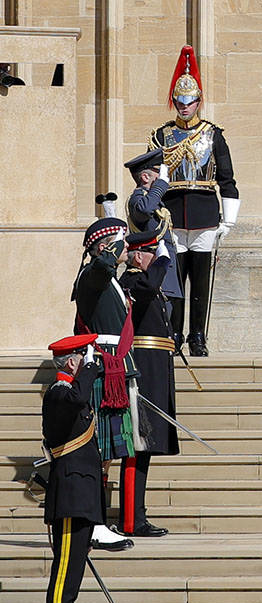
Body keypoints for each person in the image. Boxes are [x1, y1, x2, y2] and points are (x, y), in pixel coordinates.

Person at [149, 45, 239, 357]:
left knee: (200, 281)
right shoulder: (162, 135)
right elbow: (152, 176)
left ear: (198, 101)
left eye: (189, 101)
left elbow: (226, 178)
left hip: (203, 214)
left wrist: (228, 219)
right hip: (173, 215)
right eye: (179, 101)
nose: (184, 106)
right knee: (174, 282)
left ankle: (198, 335)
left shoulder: (213, 134)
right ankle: (174, 334)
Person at [41, 333, 106, 603]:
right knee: (63, 585)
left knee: (70, 584)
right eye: (83, 356)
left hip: (81, 500)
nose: (87, 361)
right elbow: (79, 395)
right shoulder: (58, 393)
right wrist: (91, 368)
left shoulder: (70, 392)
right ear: (70, 361)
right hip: (69, 500)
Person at [72, 218, 139, 552]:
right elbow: (101, 265)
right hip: (102, 367)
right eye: (121, 243)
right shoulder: (93, 276)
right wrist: (111, 247)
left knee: (108, 453)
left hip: (114, 366)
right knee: (98, 452)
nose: (128, 249)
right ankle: (94, 525)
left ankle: (97, 521)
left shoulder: (108, 278)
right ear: (105, 247)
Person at [117, 230, 179, 538]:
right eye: (154, 254)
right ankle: (131, 520)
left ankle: (136, 515)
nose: (160, 262)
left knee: (145, 449)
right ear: (140, 255)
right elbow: (150, 283)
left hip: (155, 372)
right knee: (136, 448)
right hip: (143, 373)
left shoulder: (143, 283)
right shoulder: (133, 282)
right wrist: (163, 259)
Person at [123, 148, 184, 333]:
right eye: (158, 175)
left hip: (165, 273)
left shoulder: (155, 203)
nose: (163, 181)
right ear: (145, 178)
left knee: (165, 323)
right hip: (152, 270)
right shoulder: (138, 200)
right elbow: (144, 211)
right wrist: (160, 186)